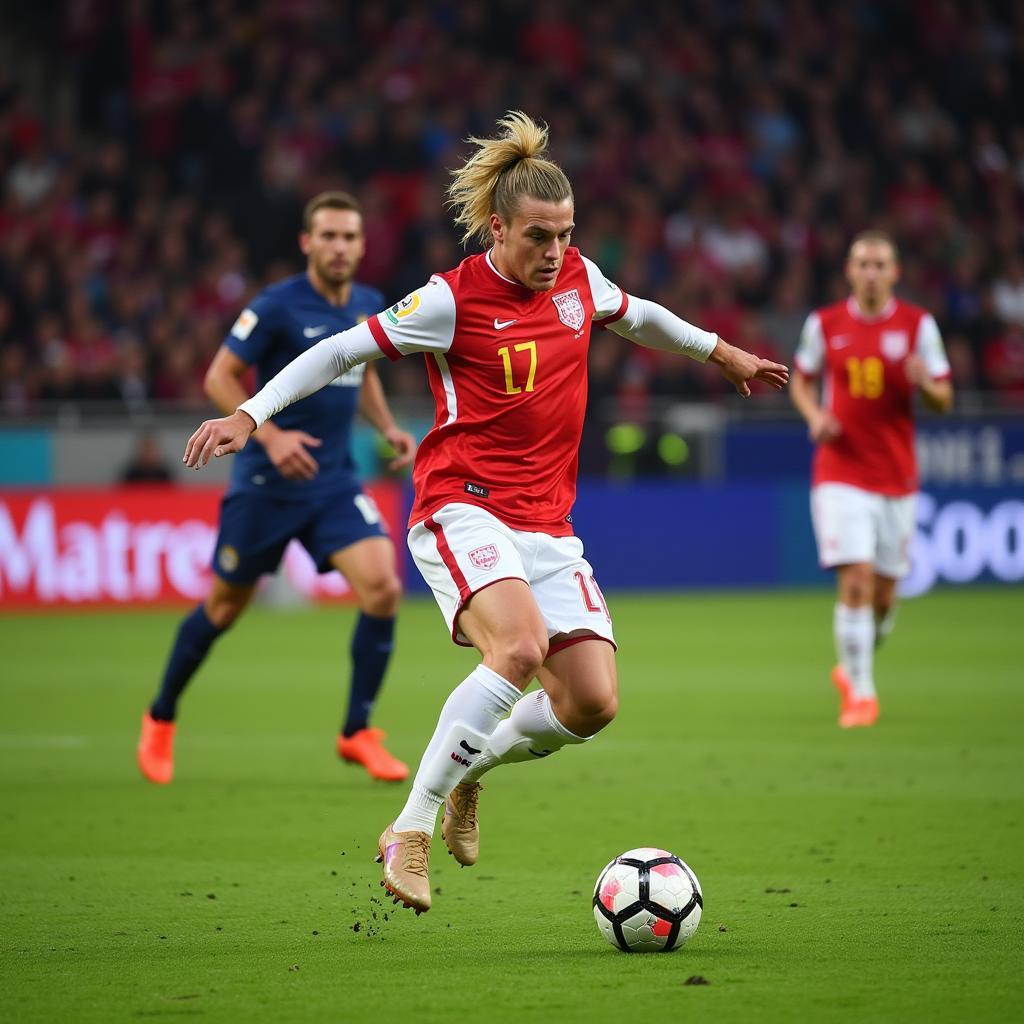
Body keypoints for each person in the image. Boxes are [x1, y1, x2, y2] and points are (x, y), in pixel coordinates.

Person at [182, 113, 789, 913]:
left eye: (566, 235)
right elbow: (338, 351)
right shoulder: (448, 299)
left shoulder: (579, 280)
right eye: (538, 236)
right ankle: (410, 830)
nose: (555, 253)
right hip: (462, 506)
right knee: (517, 647)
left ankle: (469, 773)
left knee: (592, 703)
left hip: (549, 524)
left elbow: (641, 316)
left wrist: (722, 351)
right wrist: (252, 415)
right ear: (497, 228)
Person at [137, 191, 417, 785]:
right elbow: (218, 377)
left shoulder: (369, 303)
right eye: (329, 236)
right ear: (307, 243)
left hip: (334, 483)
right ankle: (160, 717)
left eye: (350, 237)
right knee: (223, 609)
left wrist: (388, 426)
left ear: (363, 245)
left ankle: (357, 731)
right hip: (265, 486)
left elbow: (358, 373)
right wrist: (271, 438)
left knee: (384, 588)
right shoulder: (276, 306)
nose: (340, 247)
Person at [790, 230, 953, 728]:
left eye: (881, 264)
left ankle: (853, 665)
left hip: (896, 476)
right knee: (855, 580)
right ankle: (861, 694)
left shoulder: (917, 326)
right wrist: (815, 417)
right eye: (863, 263)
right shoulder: (825, 324)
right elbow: (801, 379)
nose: (871, 272)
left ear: (895, 272)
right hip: (840, 471)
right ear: (849, 270)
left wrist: (926, 383)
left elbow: (944, 399)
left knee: (883, 598)